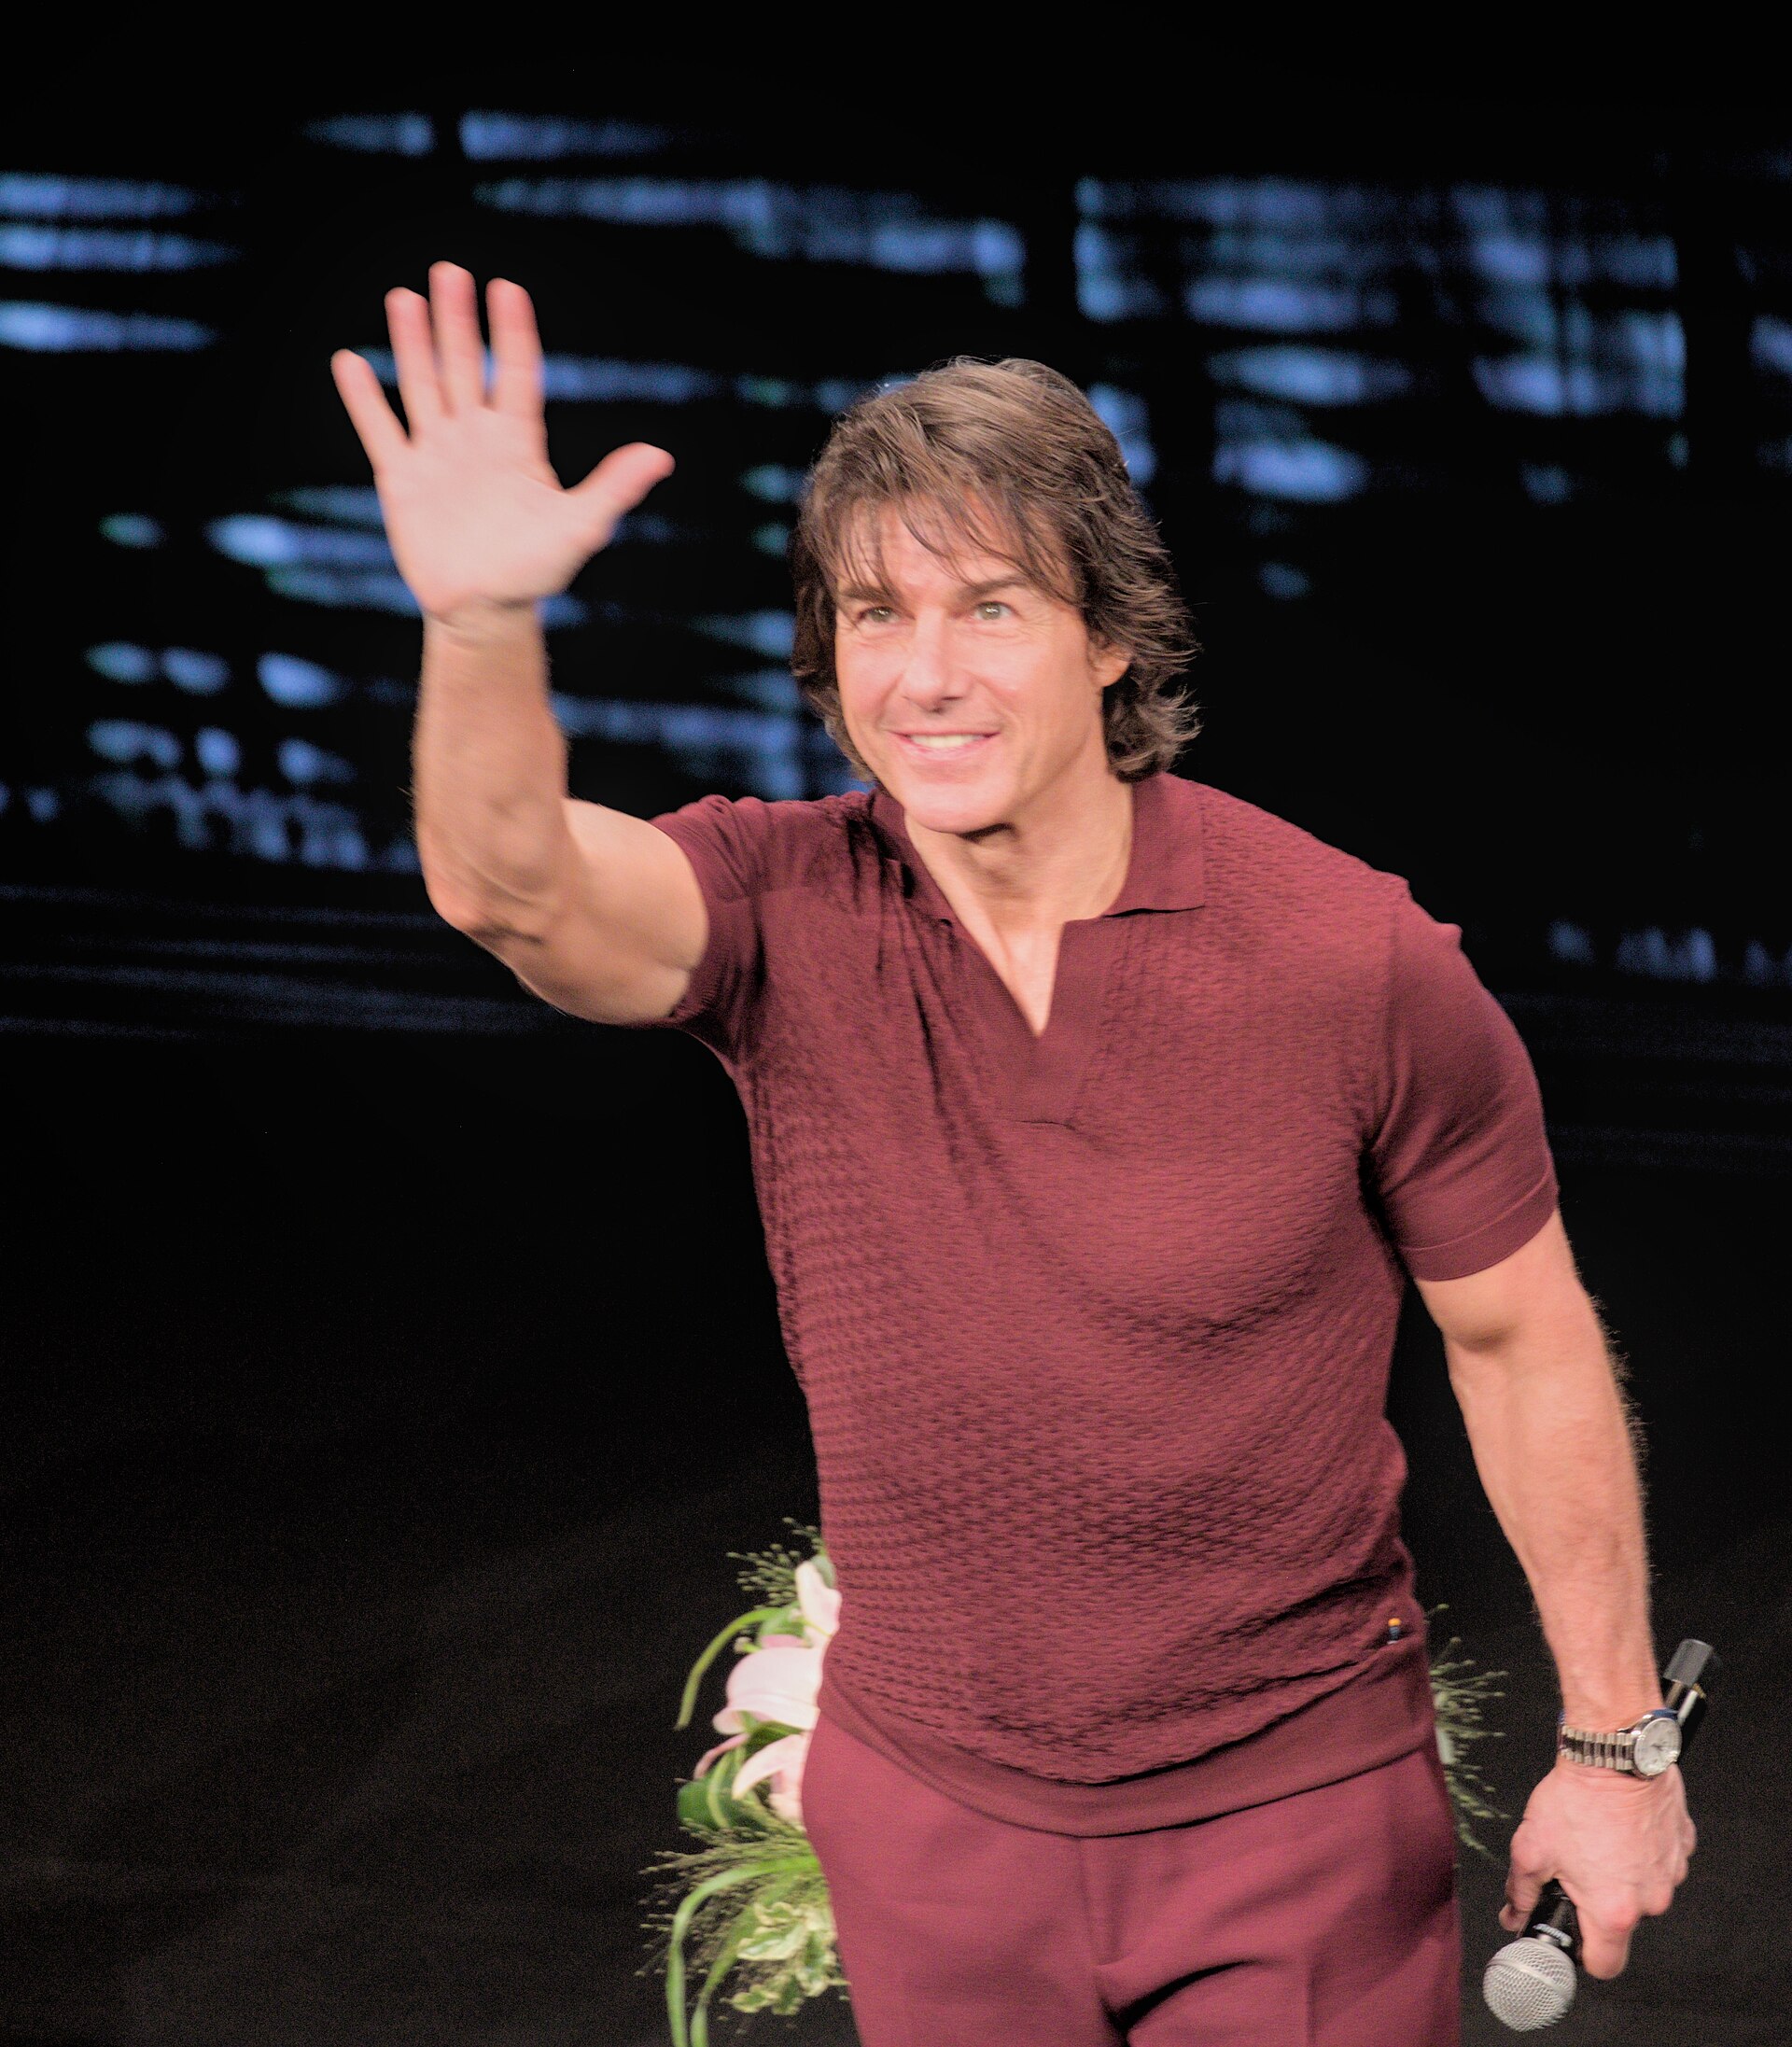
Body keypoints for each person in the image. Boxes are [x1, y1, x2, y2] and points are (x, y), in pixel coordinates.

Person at [330, 261, 1697, 2045]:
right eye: (875, 616)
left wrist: (1615, 1742)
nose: (926, 675)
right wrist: (482, 618)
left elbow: (1522, 1344)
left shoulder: (1349, 959)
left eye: (990, 607)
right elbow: (508, 886)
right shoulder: (783, 903)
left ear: (1113, 633)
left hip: (1287, 1825)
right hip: (935, 1831)